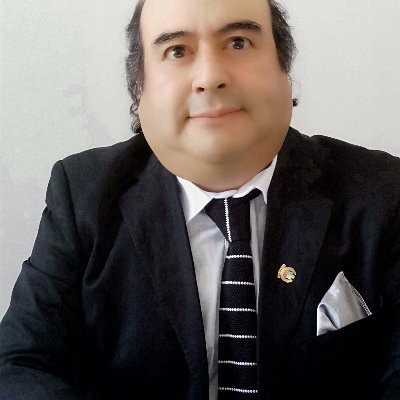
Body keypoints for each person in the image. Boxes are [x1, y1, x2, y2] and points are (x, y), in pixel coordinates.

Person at [0, 0, 399, 399]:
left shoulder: (382, 193)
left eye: (238, 43)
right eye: (177, 51)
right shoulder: (84, 194)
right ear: (140, 87)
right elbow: (21, 363)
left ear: (284, 70)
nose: (210, 77)